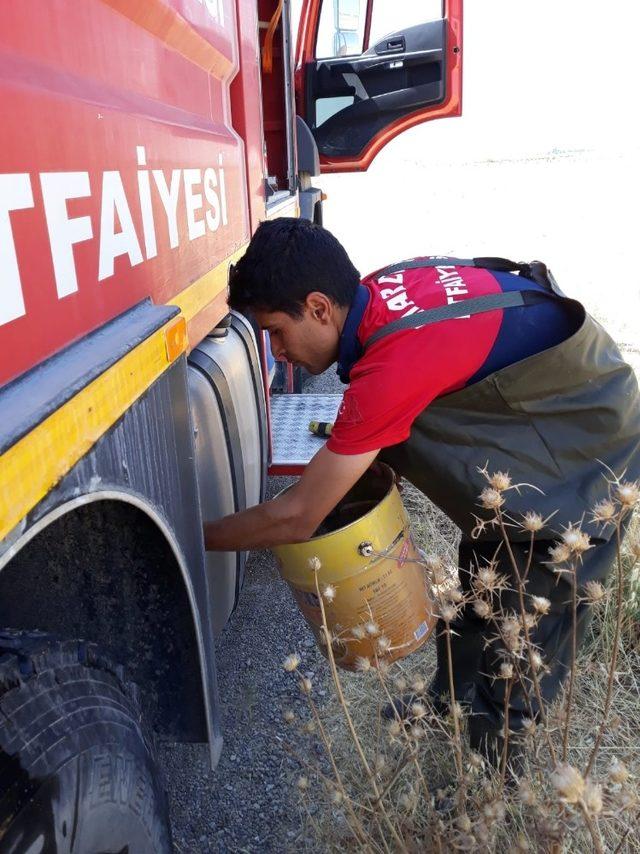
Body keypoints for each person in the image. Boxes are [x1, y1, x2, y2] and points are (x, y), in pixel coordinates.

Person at [203, 217, 640, 765]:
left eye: (275, 332)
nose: (277, 353)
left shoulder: (393, 364)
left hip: (589, 441)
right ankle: (443, 706)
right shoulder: (377, 293)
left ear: (319, 307)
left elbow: (295, 518)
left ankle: (491, 783)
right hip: (545, 408)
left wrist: (195, 539)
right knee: (481, 577)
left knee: (528, 624)